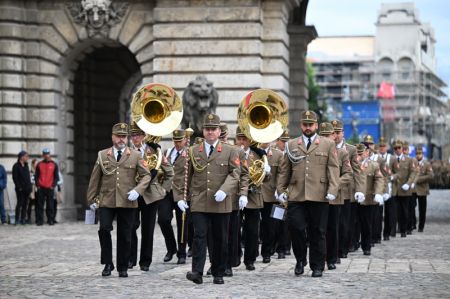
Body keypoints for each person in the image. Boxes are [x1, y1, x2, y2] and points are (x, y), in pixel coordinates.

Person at [278, 110, 340, 278]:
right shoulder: (291, 144)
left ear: (316, 126)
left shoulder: (327, 144)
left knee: (318, 231)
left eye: (310, 124)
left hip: (319, 194)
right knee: (296, 228)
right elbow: (285, 170)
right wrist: (280, 190)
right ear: (301, 125)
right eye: (305, 124)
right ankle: (300, 260)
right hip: (296, 194)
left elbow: (333, 169)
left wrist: (333, 189)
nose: (307, 127)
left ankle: (317, 265)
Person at [180, 113, 241, 285]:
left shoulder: (230, 151)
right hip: (199, 200)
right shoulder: (193, 151)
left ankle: (218, 271)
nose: (210, 132)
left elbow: (235, 173)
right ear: (203, 131)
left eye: (213, 129)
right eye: (207, 129)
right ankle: (197, 272)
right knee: (199, 236)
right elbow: (185, 176)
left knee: (220, 238)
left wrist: (225, 190)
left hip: (221, 201)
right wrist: (181, 198)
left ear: (219, 131)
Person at [86, 123, 151, 278]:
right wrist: (91, 199)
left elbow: (146, 175)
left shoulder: (135, 155)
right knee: (104, 230)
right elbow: (95, 178)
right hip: (107, 199)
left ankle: (123, 266)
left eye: (124, 136)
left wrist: (138, 190)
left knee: (125, 234)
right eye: (118, 136)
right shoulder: (103, 155)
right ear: (112, 137)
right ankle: (108, 263)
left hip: (127, 200)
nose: (121, 139)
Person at [235, 127, 270, 271]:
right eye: (240, 139)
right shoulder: (232, 152)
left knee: (252, 231)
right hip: (236, 196)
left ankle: (250, 259)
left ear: (250, 141)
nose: (242, 142)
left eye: (245, 139)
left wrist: (267, 172)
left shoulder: (258, 155)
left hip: (253, 197)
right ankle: (235, 255)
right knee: (234, 229)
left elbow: (265, 179)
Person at [319, 123, 352, 270]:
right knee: (319, 229)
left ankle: (332, 258)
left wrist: (334, 185)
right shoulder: (315, 150)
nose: (328, 138)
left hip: (335, 197)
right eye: (324, 135)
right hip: (318, 195)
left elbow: (348, 174)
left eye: (330, 135)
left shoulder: (343, 153)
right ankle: (320, 257)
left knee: (333, 228)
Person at [331, 120, 365, 259]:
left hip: (346, 192)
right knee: (332, 224)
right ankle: (333, 251)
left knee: (344, 224)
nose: (335, 135)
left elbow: (357, 171)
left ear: (343, 133)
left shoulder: (350, 149)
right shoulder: (325, 146)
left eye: (338, 132)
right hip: (330, 192)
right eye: (333, 133)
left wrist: (360, 189)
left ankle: (342, 249)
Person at [165, 129, 192, 264]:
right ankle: (171, 248)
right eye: (175, 141)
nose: (177, 144)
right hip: (167, 191)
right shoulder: (168, 152)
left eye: (180, 141)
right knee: (163, 220)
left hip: (182, 192)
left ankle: (182, 252)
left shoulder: (189, 154)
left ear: (185, 140)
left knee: (182, 223)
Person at [356, 143, 384, 255]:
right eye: (357, 153)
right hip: (354, 199)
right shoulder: (352, 165)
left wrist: (378, 193)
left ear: (367, 152)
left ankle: (366, 246)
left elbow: (379, 179)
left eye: (361, 152)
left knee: (367, 224)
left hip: (367, 199)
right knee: (350, 224)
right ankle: (351, 244)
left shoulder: (374, 165)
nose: (359, 155)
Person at [389, 140, 416, 237]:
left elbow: (413, 173)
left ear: (402, 149)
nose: (397, 150)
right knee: (393, 211)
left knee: (404, 212)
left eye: (399, 148)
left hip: (405, 189)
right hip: (395, 188)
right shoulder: (391, 159)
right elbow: (389, 171)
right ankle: (393, 230)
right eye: (395, 148)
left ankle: (403, 230)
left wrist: (409, 184)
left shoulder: (409, 160)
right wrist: (391, 176)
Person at [34, 148, 59, 225]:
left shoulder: (54, 164)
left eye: (47, 154)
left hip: (49, 187)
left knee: (50, 205)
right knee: (39, 205)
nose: (46, 155)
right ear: (43, 155)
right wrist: (37, 185)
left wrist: (53, 185)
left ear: (49, 154)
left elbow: (56, 177)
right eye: (45, 154)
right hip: (41, 188)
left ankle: (50, 220)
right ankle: (39, 220)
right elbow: (36, 176)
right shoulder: (39, 164)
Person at [412, 146, 433, 232]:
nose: (418, 155)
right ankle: (413, 223)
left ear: (422, 154)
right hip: (413, 189)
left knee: (422, 209)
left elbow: (431, 175)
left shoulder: (427, 164)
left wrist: (419, 179)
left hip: (423, 189)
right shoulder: (412, 162)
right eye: (417, 153)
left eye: (420, 154)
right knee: (411, 207)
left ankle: (421, 226)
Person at [12, 151, 32, 225]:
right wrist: (19, 187)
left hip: (27, 188)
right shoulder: (16, 166)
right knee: (19, 204)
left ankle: (23, 219)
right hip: (20, 189)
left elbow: (28, 177)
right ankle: (17, 219)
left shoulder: (26, 165)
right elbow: (15, 178)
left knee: (25, 204)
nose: (27, 158)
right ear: (22, 157)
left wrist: (29, 186)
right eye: (26, 156)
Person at [27, 159, 38, 224]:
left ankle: (37, 218)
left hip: (37, 189)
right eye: (35, 164)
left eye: (37, 164)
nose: (37, 165)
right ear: (33, 164)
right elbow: (29, 180)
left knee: (37, 204)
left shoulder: (38, 172)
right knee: (30, 204)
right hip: (31, 190)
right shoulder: (30, 172)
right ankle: (28, 218)